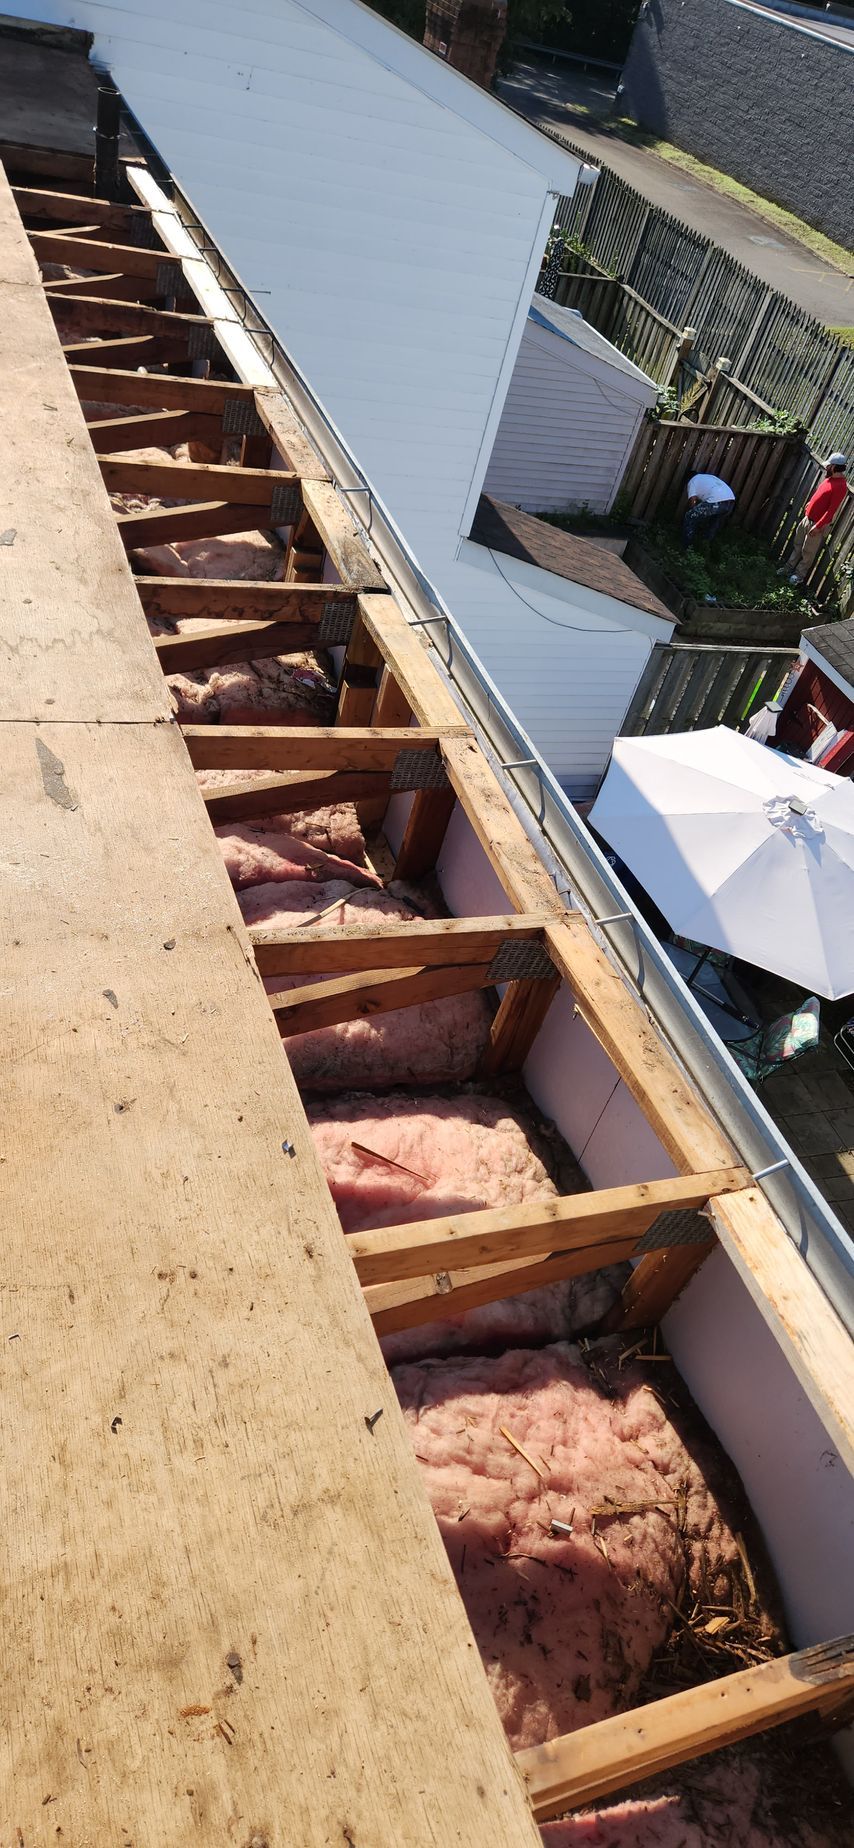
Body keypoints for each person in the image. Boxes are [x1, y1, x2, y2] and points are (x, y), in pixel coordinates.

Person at [782, 453, 848, 584]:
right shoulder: (829, 479)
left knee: (808, 551)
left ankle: (799, 575)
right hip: (808, 518)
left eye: (828, 466)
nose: (826, 468)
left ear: (834, 467)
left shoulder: (841, 486)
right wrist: (810, 503)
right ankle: (788, 567)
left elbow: (831, 510)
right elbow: (820, 494)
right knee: (798, 544)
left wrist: (818, 526)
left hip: (817, 524)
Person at [682, 472, 736, 548]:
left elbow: (692, 501)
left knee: (690, 516)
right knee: (713, 522)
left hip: (716, 501)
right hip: (730, 501)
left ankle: (686, 546)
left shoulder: (692, 481)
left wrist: (694, 512)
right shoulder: (707, 477)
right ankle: (705, 546)